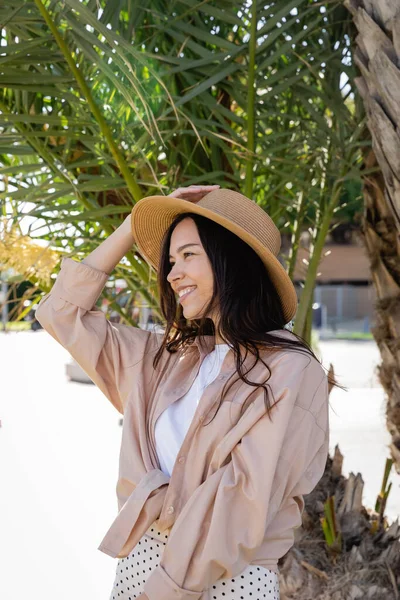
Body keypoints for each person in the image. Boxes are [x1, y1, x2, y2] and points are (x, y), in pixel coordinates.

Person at [36, 185, 335, 600]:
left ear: (233, 259)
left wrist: (164, 591)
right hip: (141, 561)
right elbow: (61, 313)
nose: (172, 274)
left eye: (189, 255)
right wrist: (131, 225)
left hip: (227, 580)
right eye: (171, 260)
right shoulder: (164, 359)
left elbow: (240, 505)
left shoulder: (291, 371)